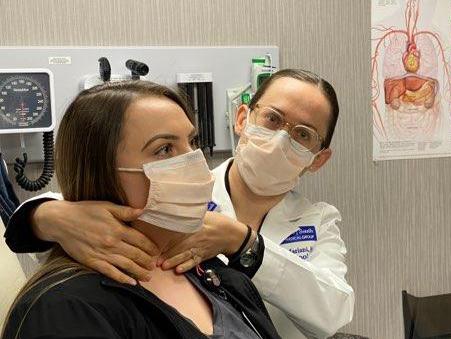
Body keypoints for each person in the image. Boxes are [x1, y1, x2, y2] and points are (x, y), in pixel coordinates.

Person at [4, 69, 354, 338]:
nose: (281, 140)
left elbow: (333, 311)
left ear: (318, 159)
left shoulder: (316, 222)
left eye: (303, 135)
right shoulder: (70, 305)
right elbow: (89, 205)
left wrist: (243, 243)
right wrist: (45, 216)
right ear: (243, 118)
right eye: (274, 119)